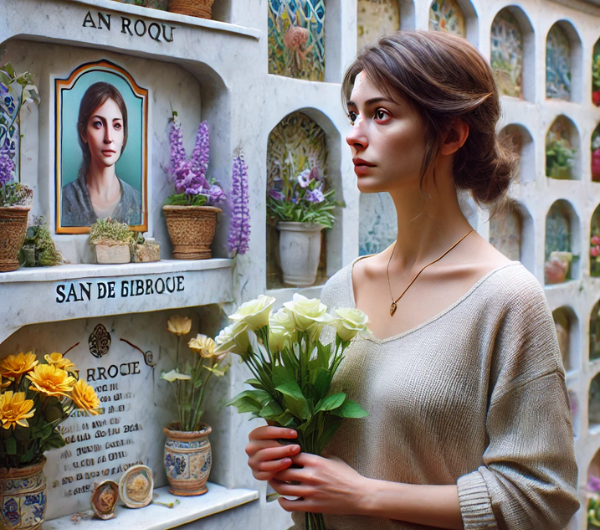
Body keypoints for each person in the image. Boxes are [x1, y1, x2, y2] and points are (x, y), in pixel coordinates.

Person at [245, 31, 580, 529]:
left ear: (451, 135)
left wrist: (364, 496)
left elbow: (541, 498)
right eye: (353, 114)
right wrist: (280, 451)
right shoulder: (342, 289)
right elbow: (335, 455)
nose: (356, 134)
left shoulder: (508, 301)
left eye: (380, 114)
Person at [62, 82, 142, 227]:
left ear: (124, 136)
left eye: (117, 126)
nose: (108, 137)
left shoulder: (138, 202)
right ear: (84, 133)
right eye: (98, 124)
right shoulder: (64, 200)